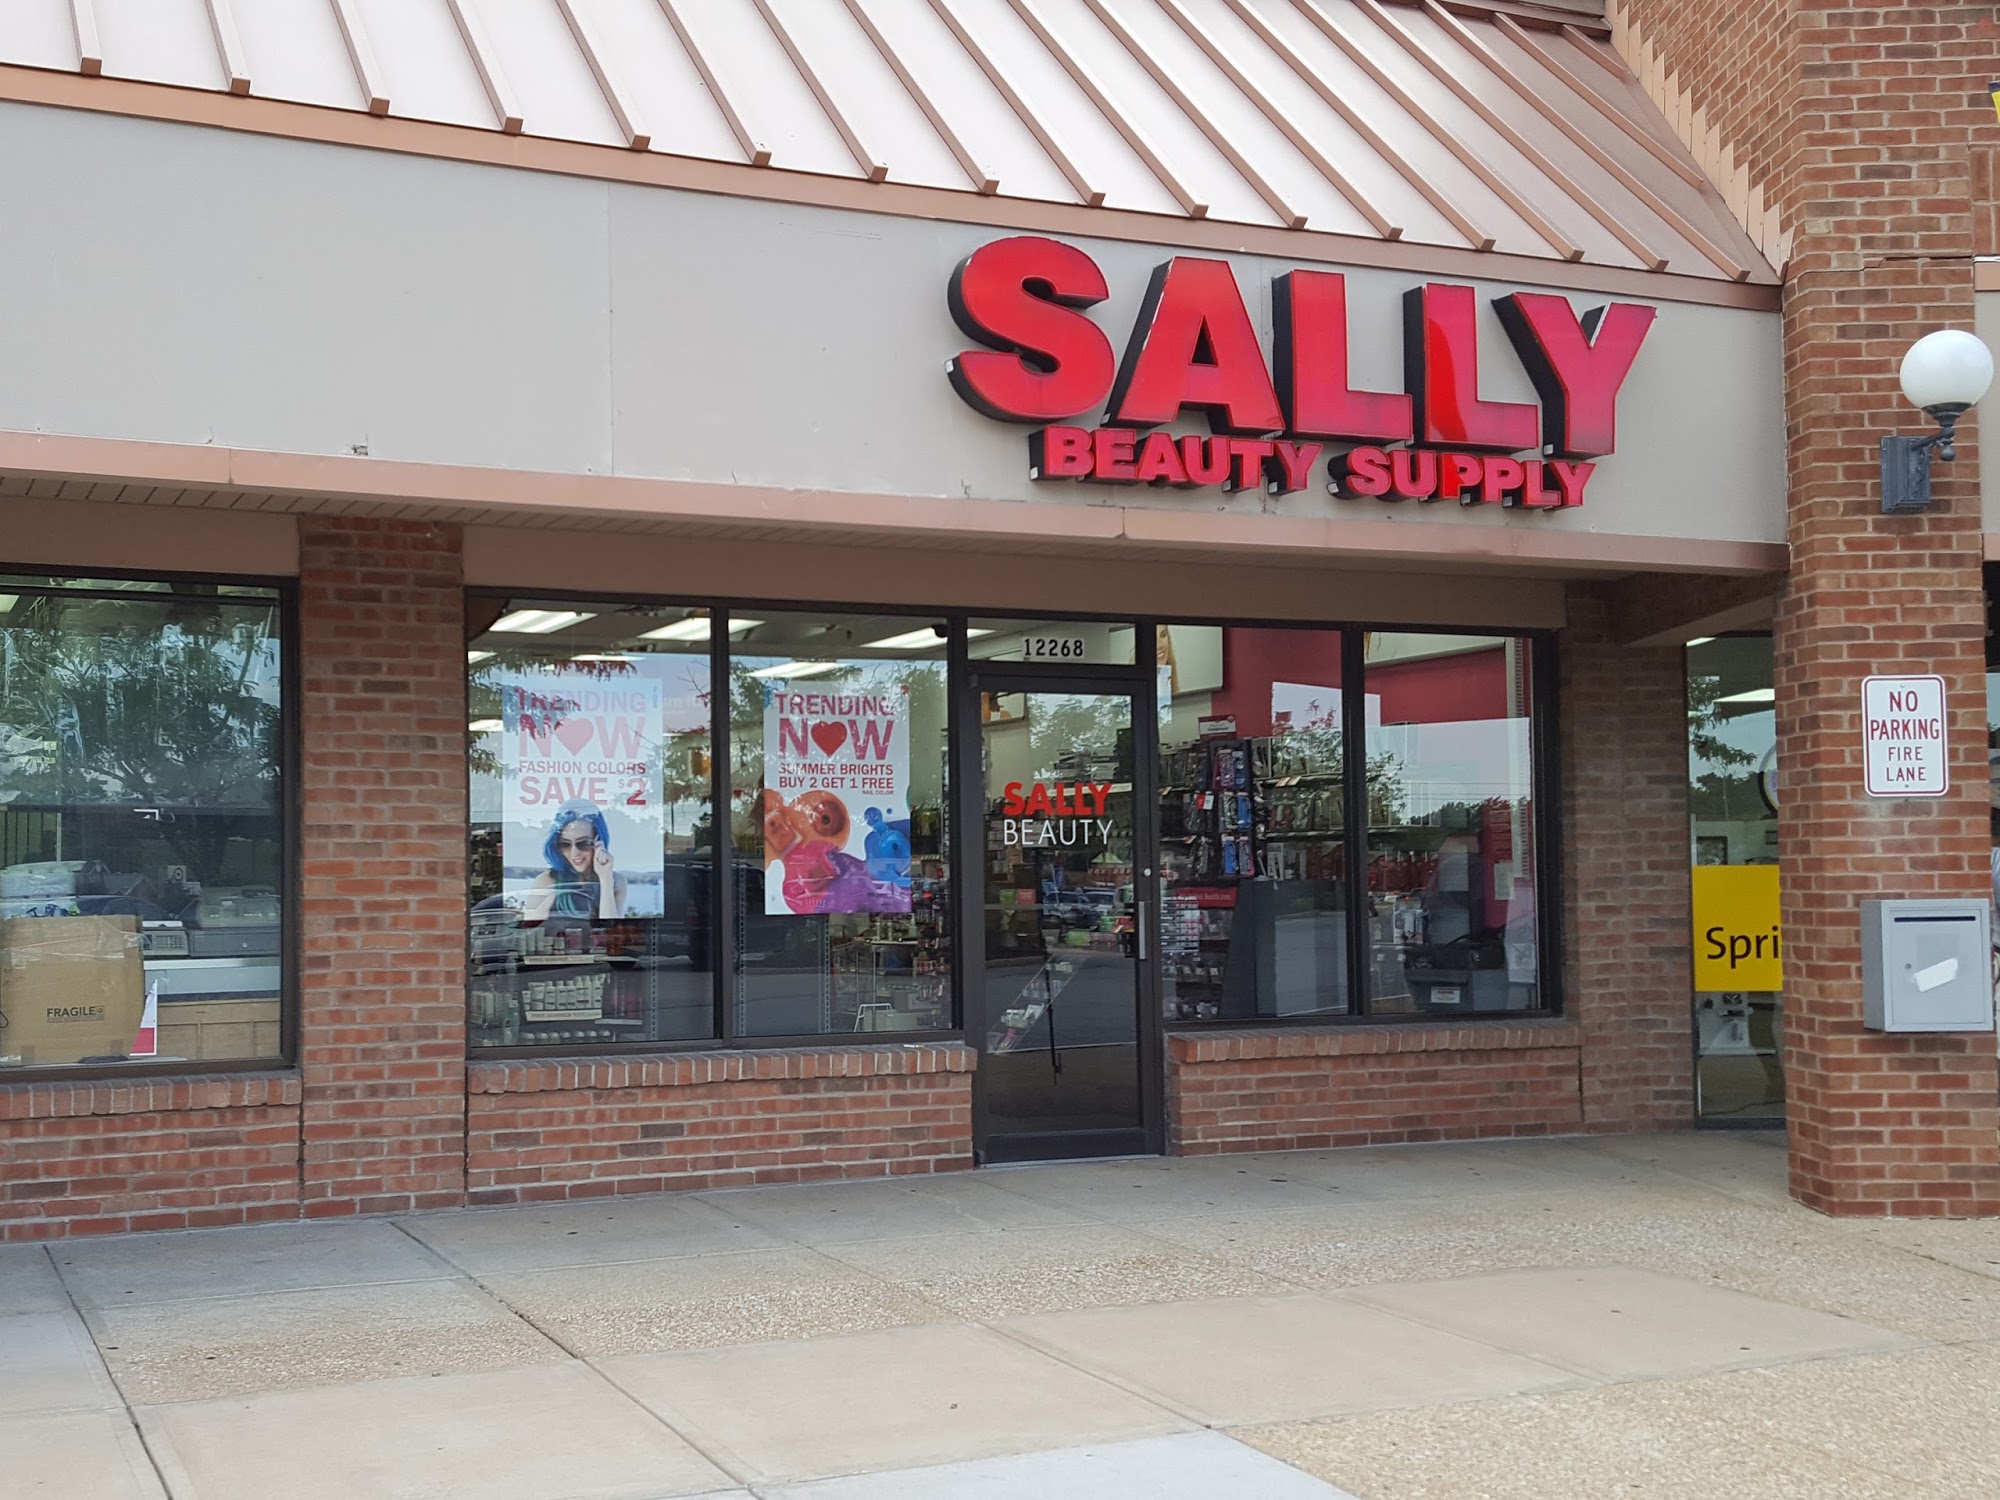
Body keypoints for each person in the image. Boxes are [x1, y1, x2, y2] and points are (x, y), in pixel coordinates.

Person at [523, 799, 626, 921]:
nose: (574, 853)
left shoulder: (616, 881)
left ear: (599, 842)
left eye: (584, 843)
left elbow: (611, 928)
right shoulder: (548, 880)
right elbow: (531, 927)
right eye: (565, 844)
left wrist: (605, 879)